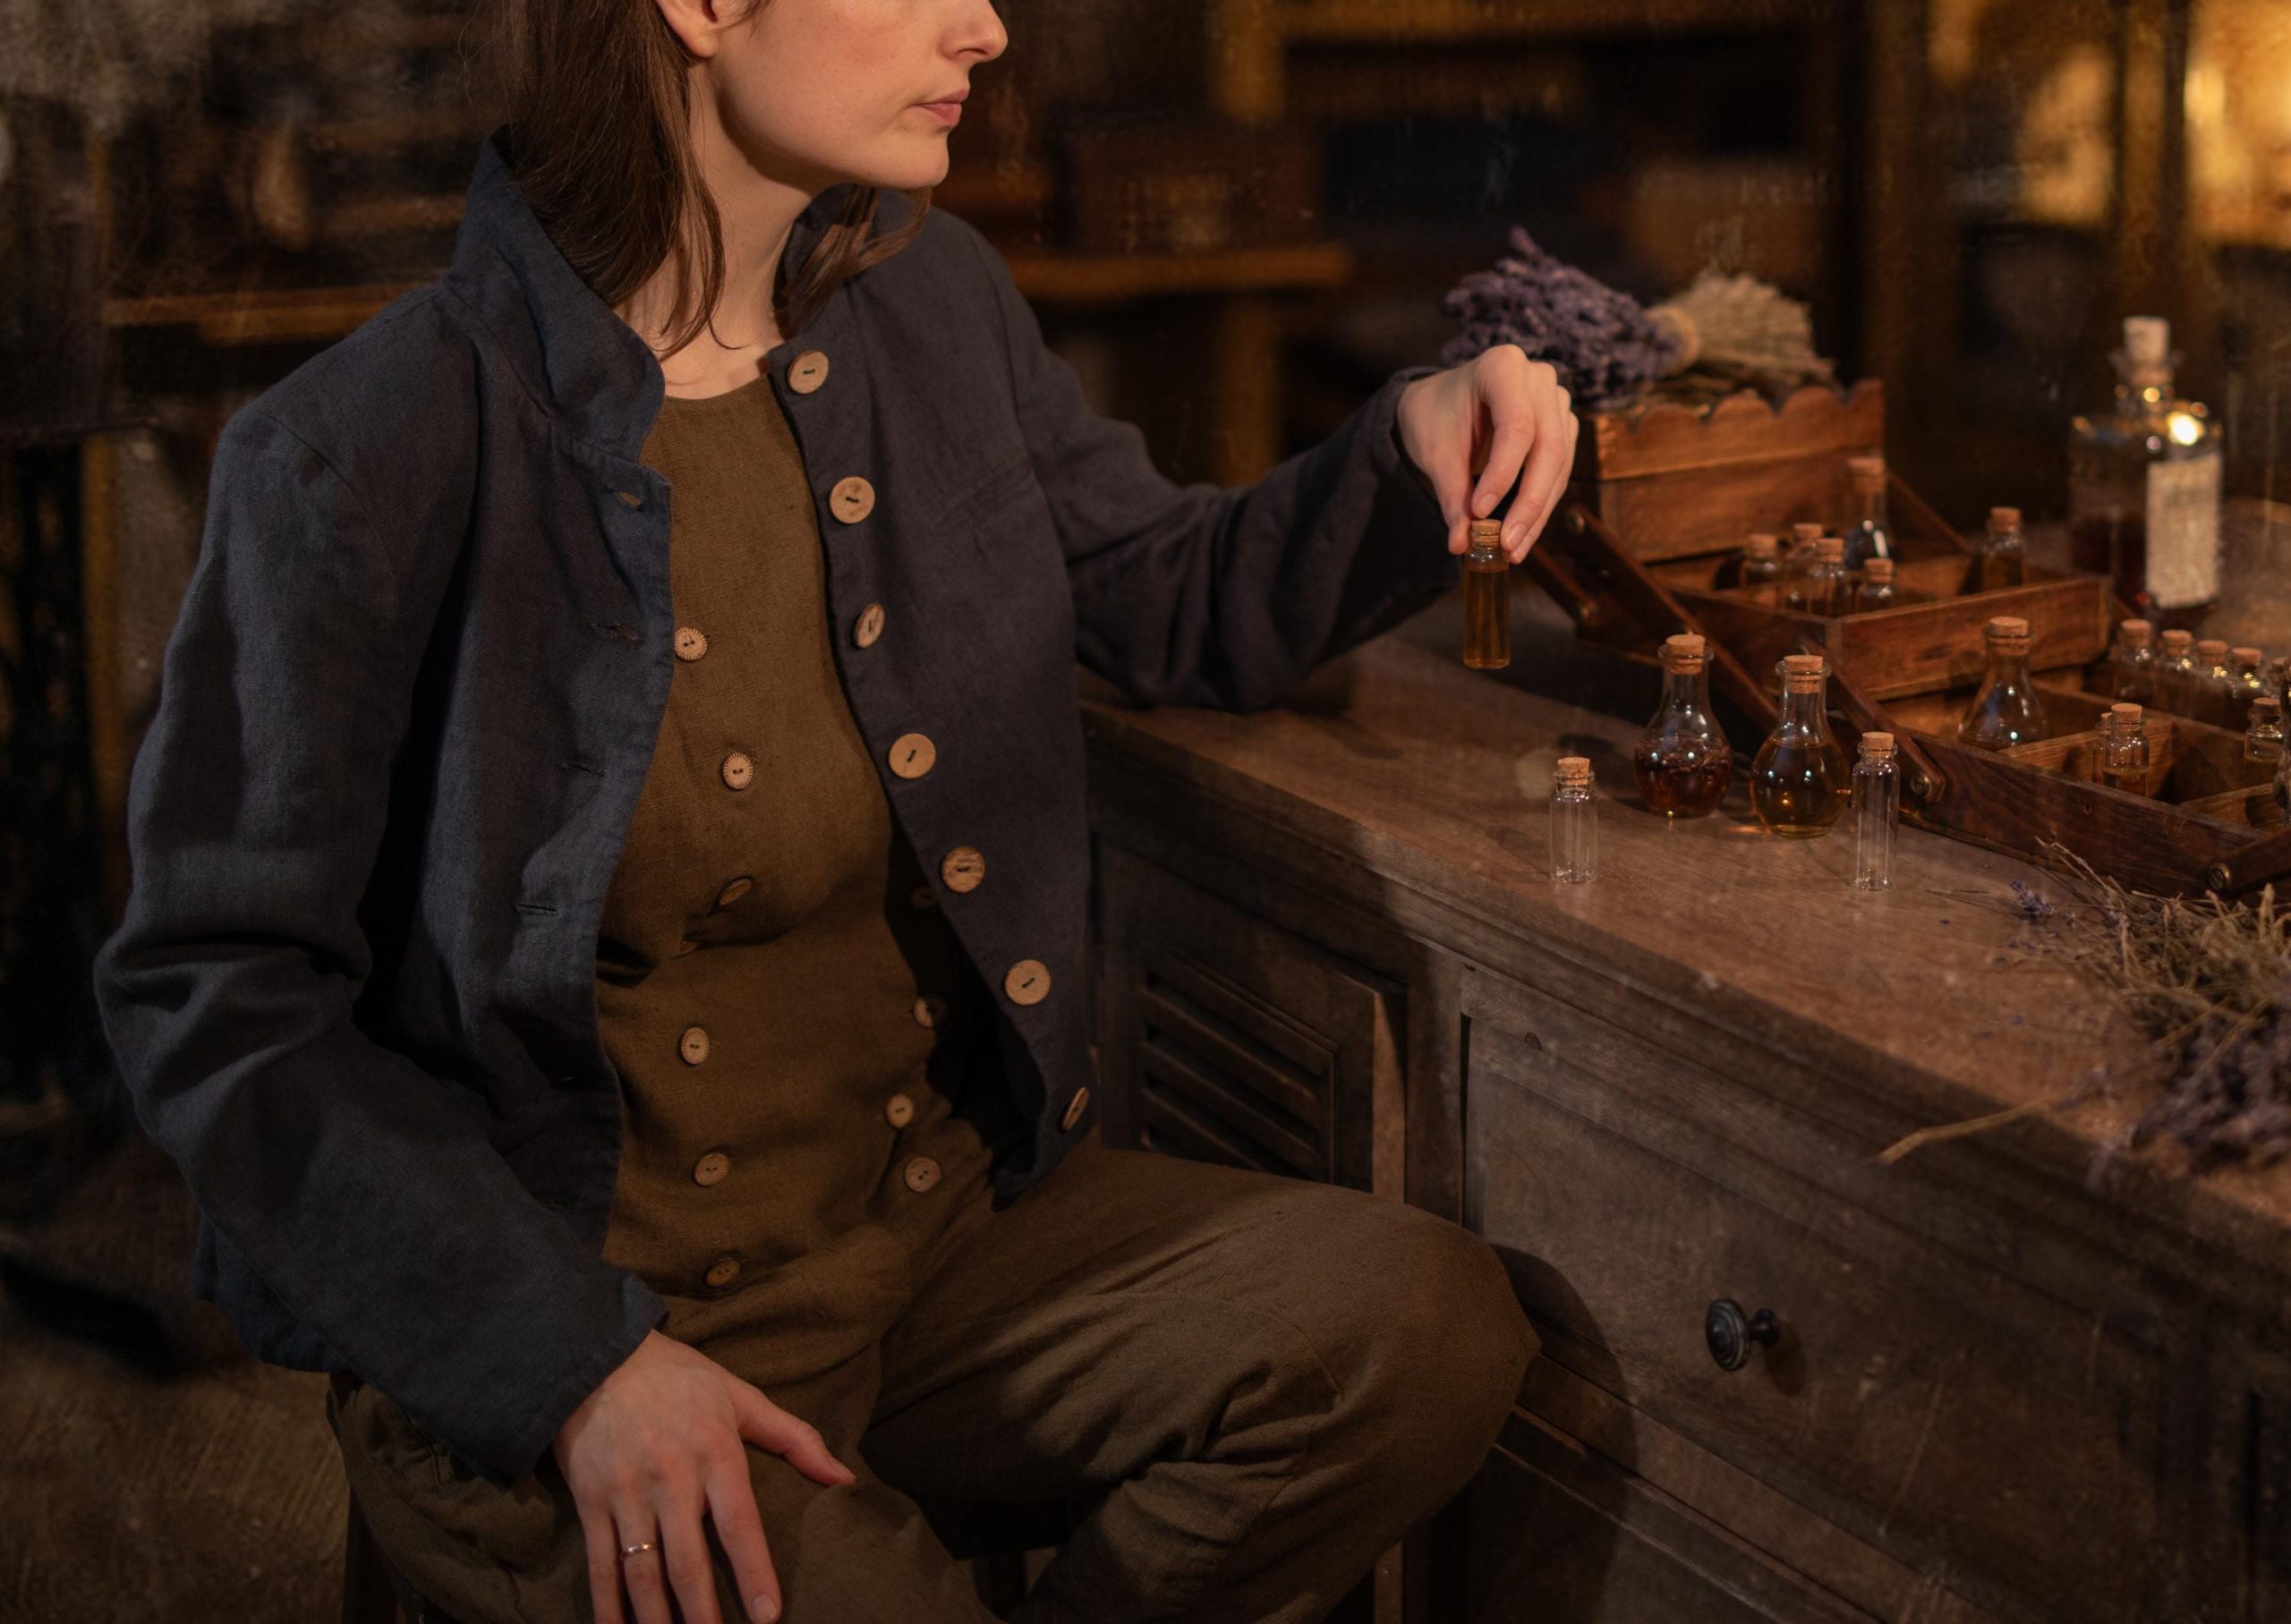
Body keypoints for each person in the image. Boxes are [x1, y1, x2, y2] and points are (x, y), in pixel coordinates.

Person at [93, 2, 1573, 1620]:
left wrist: (1404, 451)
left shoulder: (931, 310)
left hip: (925, 1248)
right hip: (579, 1327)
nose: (990, 25)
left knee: (1426, 1331)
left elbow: (1165, 592)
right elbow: (219, 1004)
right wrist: (567, 1370)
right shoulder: (360, 448)